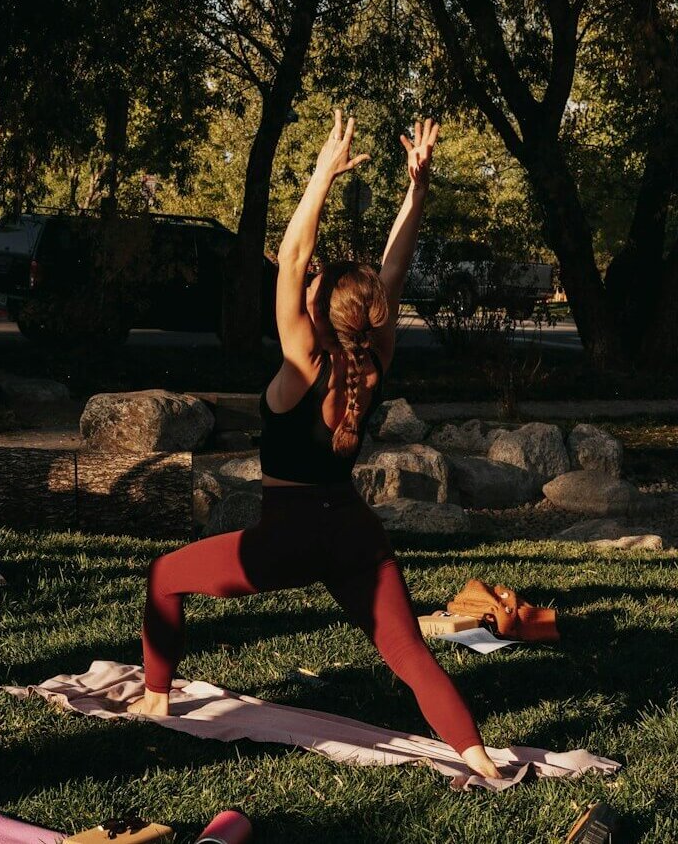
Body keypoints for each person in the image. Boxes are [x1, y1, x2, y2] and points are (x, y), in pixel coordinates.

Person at [128, 113, 503, 781]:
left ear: (320, 309)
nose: (299, 285)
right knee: (407, 651)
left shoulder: (303, 362)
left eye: (310, 289)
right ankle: (476, 756)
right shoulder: (373, 359)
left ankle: (155, 700)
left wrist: (323, 174)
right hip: (354, 533)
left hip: (287, 538)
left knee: (164, 576)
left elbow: (296, 256)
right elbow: (394, 271)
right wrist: (417, 190)